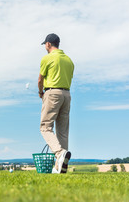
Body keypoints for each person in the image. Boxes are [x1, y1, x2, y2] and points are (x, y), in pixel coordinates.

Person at [38, 33, 74, 174]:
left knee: (45, 127)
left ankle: (59, 154)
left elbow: (40, 80)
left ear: (48, 44)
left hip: (52, 93)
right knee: (63, 131)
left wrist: (41, 93)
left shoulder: (47, 58)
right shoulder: (69, 61)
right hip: (67, 95)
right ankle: (60, 167)